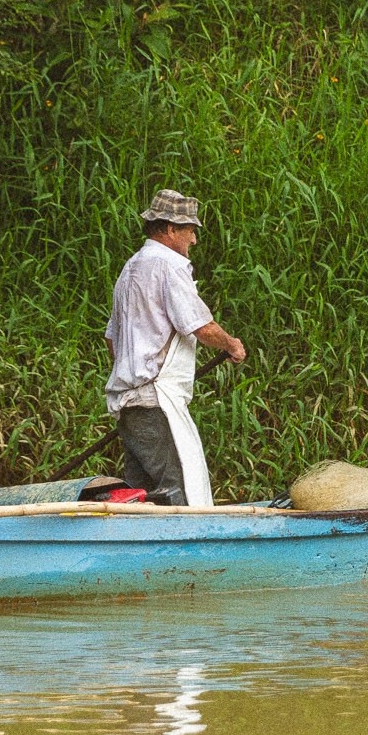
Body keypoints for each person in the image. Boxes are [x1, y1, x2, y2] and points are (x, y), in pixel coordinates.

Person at [104, 189, 245, 505]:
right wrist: (231, 344)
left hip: (128, 403)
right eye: (190, 231)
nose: (194, 240)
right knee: (183, 492)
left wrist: (133, 370)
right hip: (155, 401)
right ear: (169, 229)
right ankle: (187, 553)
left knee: (141, 497)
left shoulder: (130, 268)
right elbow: (198, 325)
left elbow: (112, 340)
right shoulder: (169, 265)